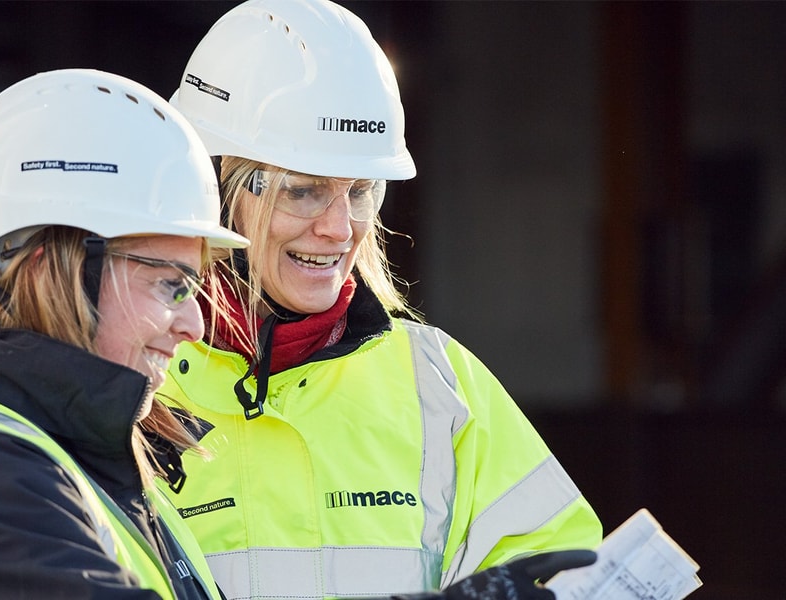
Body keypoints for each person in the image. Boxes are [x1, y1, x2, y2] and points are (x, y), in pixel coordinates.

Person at [157, 1, 604, 598]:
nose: (340, 229)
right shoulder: (134, 387)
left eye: (362, 191)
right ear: (216, 191)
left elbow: (564, 573)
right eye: (305, 192)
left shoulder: (438, 386)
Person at [0, 68, 249, 599]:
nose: (195, 325)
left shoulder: (92, 465)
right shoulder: (0, 477)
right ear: (48, 271)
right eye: (170, 285)